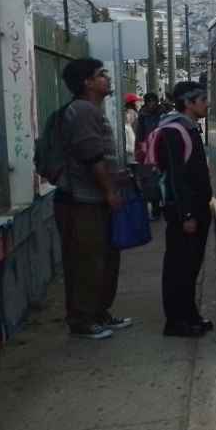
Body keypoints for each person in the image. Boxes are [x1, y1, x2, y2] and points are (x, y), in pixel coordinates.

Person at [54, 58, 133, 339]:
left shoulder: (90, 110)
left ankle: (99, 313)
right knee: (86, 262)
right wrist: (110, 191)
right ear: (87, 83)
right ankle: (82, 320)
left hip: (93, 200)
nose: (107, 79)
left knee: (104, 260)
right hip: (81, 202)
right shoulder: (83, 111)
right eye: (101, 75)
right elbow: (93, 157)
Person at [156, 81, 214, 337]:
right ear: (188, 103)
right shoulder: (174, 130)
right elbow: (176, 178)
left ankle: (190, 316)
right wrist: (186, 215)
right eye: (202, 100)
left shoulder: (188, 127)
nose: (207, 104)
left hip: (196, 209)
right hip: (184, 213)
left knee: (191, 267)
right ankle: (176, 322)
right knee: (179, 267)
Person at [134, 92, 166, 218]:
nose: (152, 104)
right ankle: (155, 208)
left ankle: (164, 206)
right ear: (146, 103)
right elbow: (140, 135)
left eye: (154, 101)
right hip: (148, 152)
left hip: (162, 150)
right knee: (151, 182)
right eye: (149, 101)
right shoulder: (143, 116)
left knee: (163, 180)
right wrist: (140, 151)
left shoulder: (163, 114)